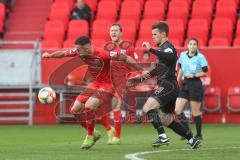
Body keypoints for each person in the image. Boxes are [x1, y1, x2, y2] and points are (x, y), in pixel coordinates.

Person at [127, 21, 201, 149]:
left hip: (168, 85)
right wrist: (139, 79)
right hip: (171, 87)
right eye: (152, 34)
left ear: (163, 34)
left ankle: (162, 137)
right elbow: (156, 71)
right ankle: (192, 139)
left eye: (155, 34)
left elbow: (171, 57)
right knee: (167, 120)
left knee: (147, 107)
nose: (153, 37)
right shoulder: (162, 49)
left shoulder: (168, 47)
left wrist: (151, 49)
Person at [42, 36, 116, 149]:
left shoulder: (103, 54)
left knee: (89, 105)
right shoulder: (79, 52)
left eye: (79, 49)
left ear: (86, 47)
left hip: (107, 85)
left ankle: (90, 136)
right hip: (95, 84)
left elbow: (122, 58)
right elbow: (63, 53)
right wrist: (50, 55)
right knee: (75, 110)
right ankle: (94, 133)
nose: (77, 51)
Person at [107, 23, 138, 144]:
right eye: (111, 31)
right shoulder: (107, 47)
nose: (113, 32)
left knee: (116, 104)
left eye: (115, 30)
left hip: (122, 80)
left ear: (121, 33)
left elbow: (134, 63)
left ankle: (117, 137)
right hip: (108, 80)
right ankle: (109, 130)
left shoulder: (128, 46)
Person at [175, 37, 208, 140]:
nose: (192, 46)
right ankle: (187, 131)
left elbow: (205, 72)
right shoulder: (183, 55)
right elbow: (180, 70)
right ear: (187, 45)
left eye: (194, 44)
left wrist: (194, 75)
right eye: (191, 44)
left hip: (195, 85)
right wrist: (176, 83)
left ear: (197, 46)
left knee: (195, 112)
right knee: (177, 110)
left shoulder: (201, 57)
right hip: (185, 84)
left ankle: (199, 135)